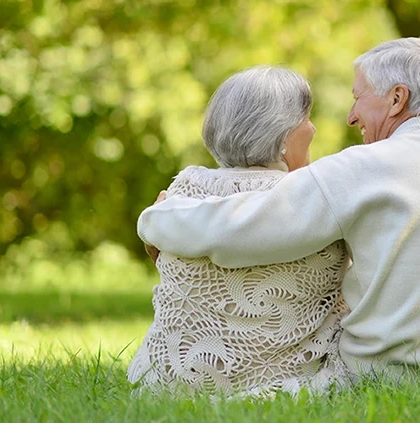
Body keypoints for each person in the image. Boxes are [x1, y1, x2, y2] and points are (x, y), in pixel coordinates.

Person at [138, 38, 420, 383]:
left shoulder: (358, 169)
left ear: (397, 98)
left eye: (357, 98)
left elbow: (242, 228)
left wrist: (156, 218)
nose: (351, 116)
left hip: (395, 374)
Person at [127, 65, 351, 398]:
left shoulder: (186, 189)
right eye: (305, 119)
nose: (313, 127)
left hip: (172, 379)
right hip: (286, 378)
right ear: (284, 136)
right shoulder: (312, 199)